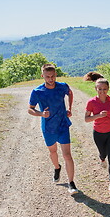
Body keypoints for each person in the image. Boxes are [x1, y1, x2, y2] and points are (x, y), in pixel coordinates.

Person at [28, 63, 78, 195]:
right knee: (53, 152)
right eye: (47, 76)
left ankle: (71, 183)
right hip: (48, 127)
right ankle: (57, 167)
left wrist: (69, 108)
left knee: (67, 155)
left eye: (53, 76)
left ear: (56, 75)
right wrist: (41, 114)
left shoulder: (62, 86)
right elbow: (30, 109)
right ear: (42, 76)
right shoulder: (37, 92)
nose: (50, 79)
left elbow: (70, 93)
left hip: (62, 125)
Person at [84, 71, 110, 192]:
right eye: (100, 89)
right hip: (98, 133)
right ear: (96, 89)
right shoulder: (91, 102)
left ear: (108, 89)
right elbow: (86, 119)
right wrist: (98, 116)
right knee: (103, 153)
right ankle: (101, 158)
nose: (102, 91)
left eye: (104, 89)